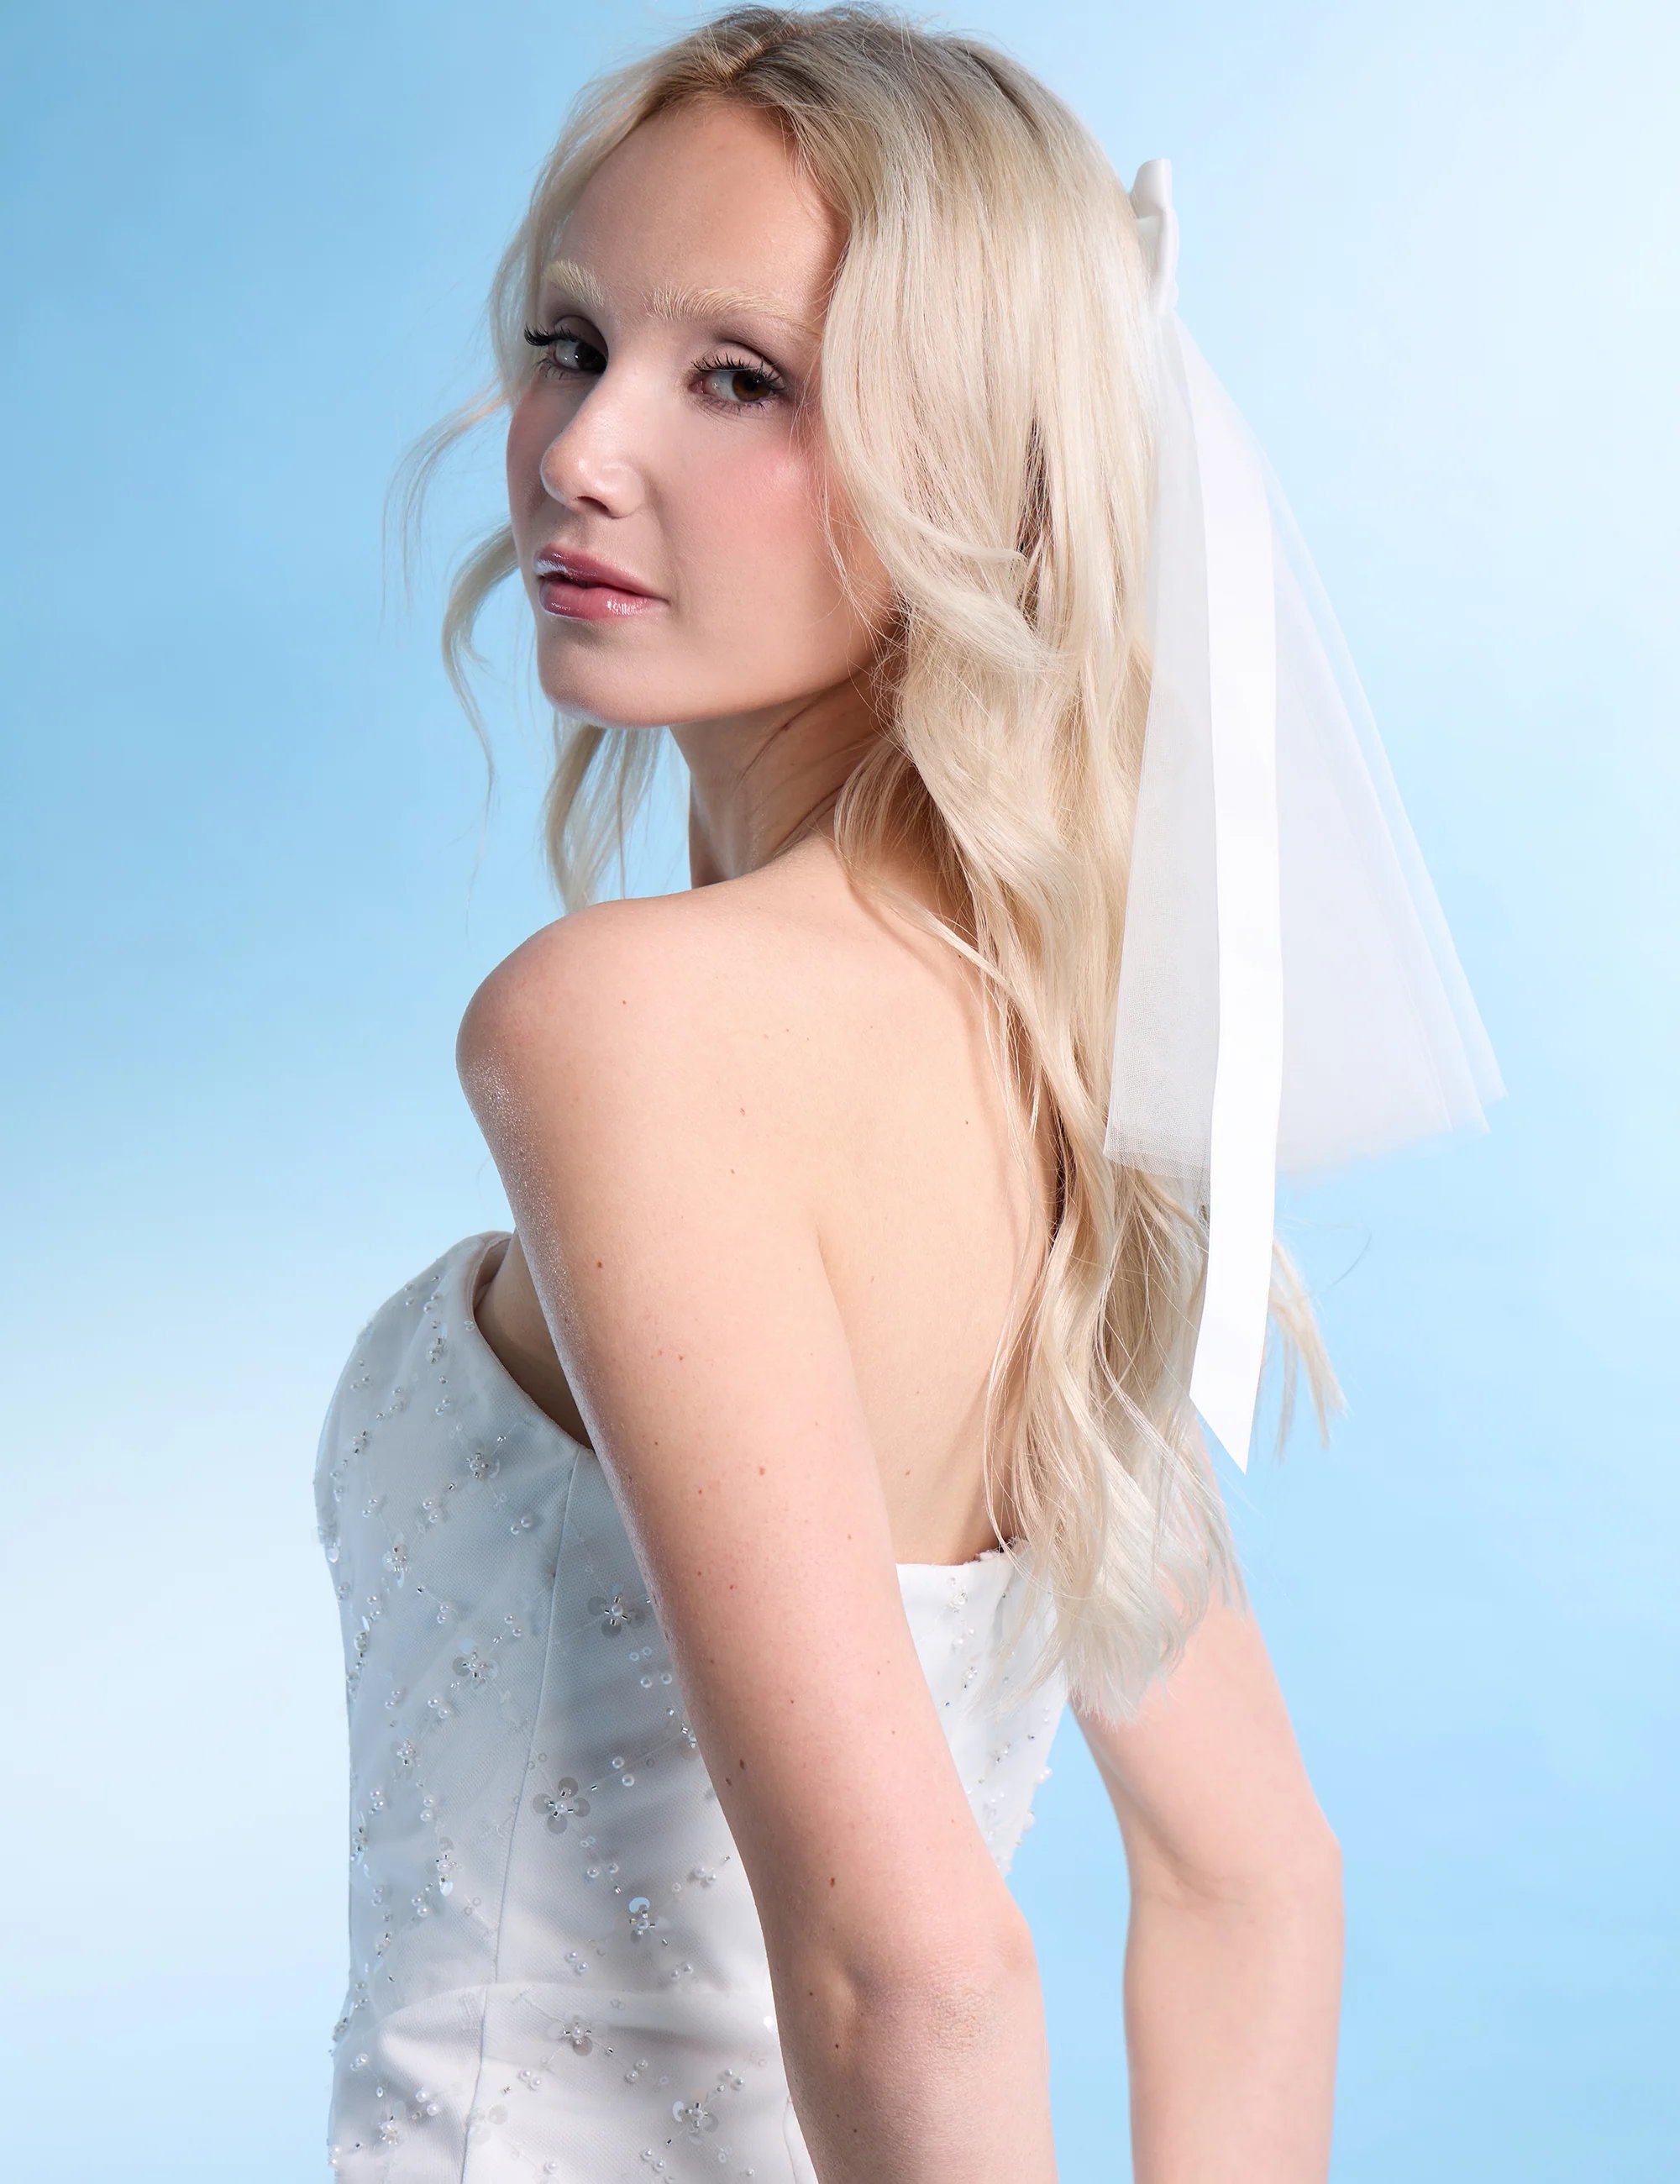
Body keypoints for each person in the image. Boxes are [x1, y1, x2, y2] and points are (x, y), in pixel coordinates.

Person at [313, 8, 1362, 2177]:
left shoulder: (623, 1028)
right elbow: (1252, 1881)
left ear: (979, 465)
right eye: (568, 343)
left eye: (740, 380)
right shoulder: (1042, 1057)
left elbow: (922, 1977)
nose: (579, 452)